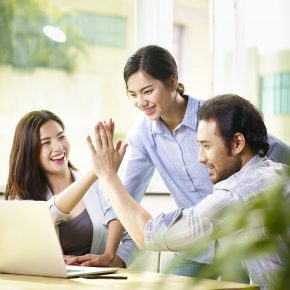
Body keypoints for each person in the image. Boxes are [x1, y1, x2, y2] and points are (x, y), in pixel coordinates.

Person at [69, 45, 290, 276]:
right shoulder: (143, 133)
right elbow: (126, 195)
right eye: (133, 95)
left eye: (147, 91)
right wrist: (109, 254)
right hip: (191, 240)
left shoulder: (215, 119)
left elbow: (271, 152)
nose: (141, 102)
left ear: (173, 82)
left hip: (237, 239)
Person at [86, 94, 289, 290]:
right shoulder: (279, 173)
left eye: (207, 146)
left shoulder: (236, 194)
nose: (200, 158)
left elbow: (148, 235)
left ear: (237, 143)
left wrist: (107, 174)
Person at [5, 110, 135, 267]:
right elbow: (48, 216)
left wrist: (110, 262)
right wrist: (96, 171)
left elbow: (133, 232)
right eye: (46, 142)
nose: (59, 147)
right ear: (29, 151)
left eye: (61, 137)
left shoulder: (98, 185)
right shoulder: (23, 197)